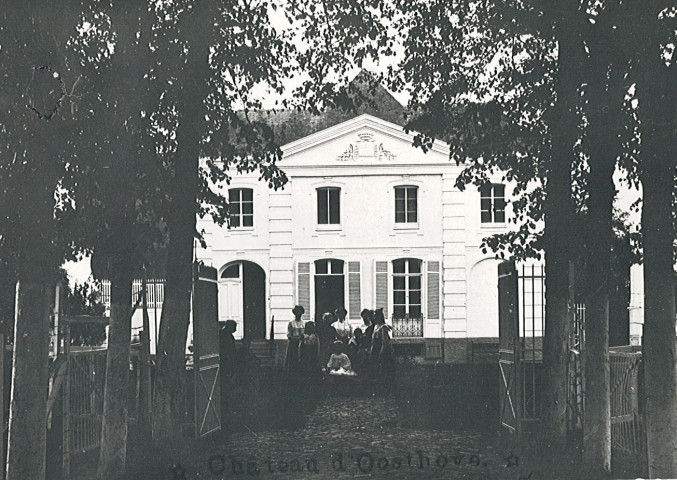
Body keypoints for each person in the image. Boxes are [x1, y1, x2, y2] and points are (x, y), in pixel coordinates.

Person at [284, 305, 305, 386]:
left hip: (302, 345)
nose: (298, 314)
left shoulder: (304, 323)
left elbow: (305, 334)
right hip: (293, 345)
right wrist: (296, 338)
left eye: (300, 312)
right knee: (293, 361)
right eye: (296, 313)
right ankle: (292, 381)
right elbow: (289, 335)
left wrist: (302, 338)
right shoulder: (291, 323)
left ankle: (301, 381)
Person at [371, 308, 394, 381]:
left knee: (383, 366)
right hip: (375, 348)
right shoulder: (375, 326)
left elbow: (384, 341)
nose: (374, 317)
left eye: (375, 316)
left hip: (381, 348)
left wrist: (381, 351)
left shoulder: (383, 327)